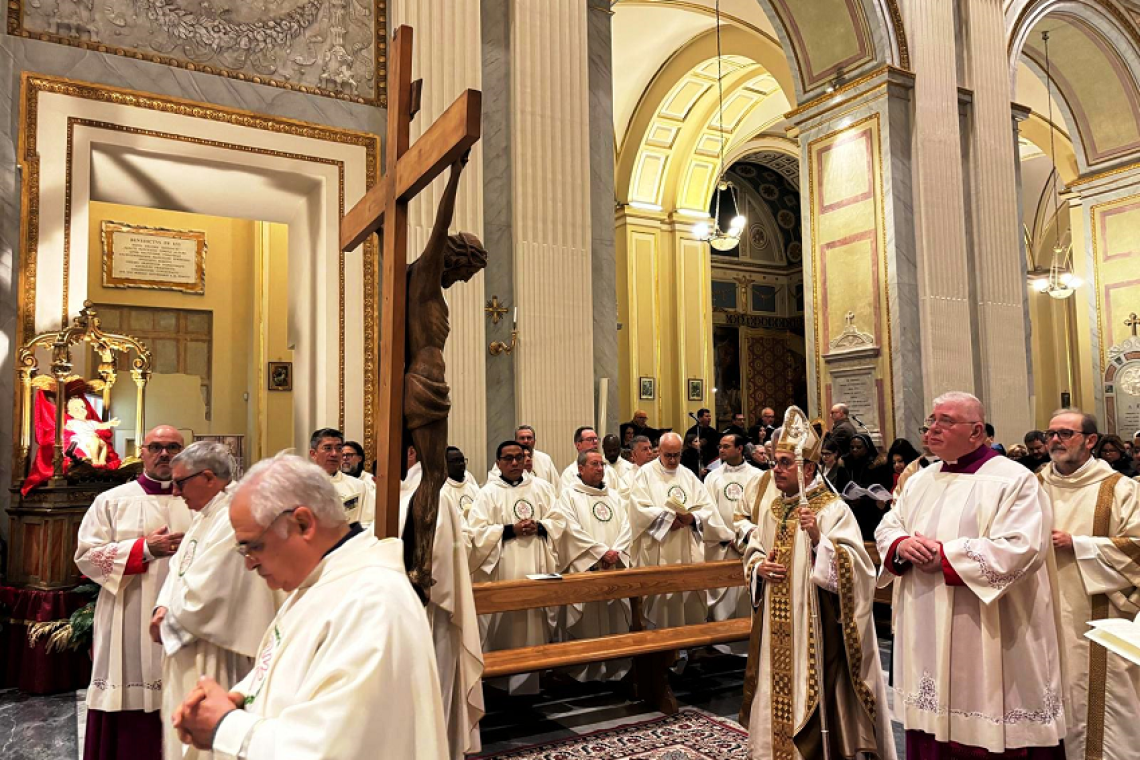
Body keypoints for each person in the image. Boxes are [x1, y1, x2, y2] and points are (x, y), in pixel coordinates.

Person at [171, 453, 447, 759]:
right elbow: (294, 672)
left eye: (253, 546)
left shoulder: (373, 601)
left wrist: (225, 725)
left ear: (302, 524)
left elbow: (333, 746)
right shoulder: (322, 581)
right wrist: (238, 698)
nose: (249, 564)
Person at [875, 391, 1066, 759]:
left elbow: (1023, 546)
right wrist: (900, 545)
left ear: (976, 431)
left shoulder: (1014, 480)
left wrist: (946, 556)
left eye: (945, 421)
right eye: (931, 419)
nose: (932, 428)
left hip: (985, 626)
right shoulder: (920, 479)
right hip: (925, 620)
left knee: (985, 712)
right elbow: (888, 525)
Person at [742, 406, 895, 759]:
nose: (776, 470)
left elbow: (858, 570)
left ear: (808, 468)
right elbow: (753, 549)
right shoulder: (774, 508)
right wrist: (758, 569)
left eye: (785, 463)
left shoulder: (831, 510)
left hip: (813, 631)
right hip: (775, 629)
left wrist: (818, 542)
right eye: (775, 462)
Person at [152, 442, 280, 760]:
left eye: (181, 483)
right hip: (193, 638)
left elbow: (212, 585)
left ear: (208, 477)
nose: (177, 493)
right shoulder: (207, 512)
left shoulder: (233, 514)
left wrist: (169, 621)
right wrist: (161, 607)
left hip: (215, 645)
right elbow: (179, 568)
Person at [76, 425, 192, 760]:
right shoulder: (112, 501)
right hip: (129, 613)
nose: (164, 454)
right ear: (141, 452)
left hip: (186, 615)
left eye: (173, 447)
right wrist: (144, 549)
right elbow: (86, 557)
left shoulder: (201, 502)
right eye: (155, 446)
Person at [1039, 409, 1140, 760]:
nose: (1055, 440)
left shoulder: (1120, 489)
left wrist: (1080, 545)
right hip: (1040, 613)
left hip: (1100, 614)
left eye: (1065, 434)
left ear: (1091, 440)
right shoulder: (1032, 487)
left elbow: (1138, 547)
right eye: (1050, 434)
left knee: (1100, 698)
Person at [402, 443, 484, 760]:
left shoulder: (433, 495)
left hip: (431, 610)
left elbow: (441, 555)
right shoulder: (397, 492)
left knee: (435, 686)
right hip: (404, 608)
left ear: (411, 453)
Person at [466, 441, 565, 694]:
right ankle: (500, 683)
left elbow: (559, 520)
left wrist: (540, 526)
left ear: (525, 460)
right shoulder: (488, 493)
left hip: (537, 563)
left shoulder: (542, 488)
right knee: (506, 624)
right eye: (508, 459)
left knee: (535, 620)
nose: (514, 463)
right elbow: (476, 533)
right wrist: (511, 530)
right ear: (498, 462)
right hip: (504, 568)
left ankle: (535, 679)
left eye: (518, 458)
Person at [627, 432, 733, 631]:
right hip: (659, 548)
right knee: (662, 604)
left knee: (689, 602)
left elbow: (707, 507)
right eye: (668, 455)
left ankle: (689, 648)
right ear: (659, 451)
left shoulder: (687, 474)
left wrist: (692, 518)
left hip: (686, 547)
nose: (673, 460)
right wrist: (667, 519)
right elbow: (637, 509)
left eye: (677, 455)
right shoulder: (645, 474)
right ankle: (662, 653)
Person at [549, 450, 632, 681]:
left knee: (614, 620)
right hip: (588, 568)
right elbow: (571, 530)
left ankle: (615, 669)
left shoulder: (614, 496)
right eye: (594, 464)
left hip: (613, 567)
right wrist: (600, 552)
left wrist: (615, 551)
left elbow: (627, 526)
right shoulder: (568, 496)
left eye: (602, 464)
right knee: (587, 623)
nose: (599, 468)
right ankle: (585, 672)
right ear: (580, 469)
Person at [703, 433, 761, 629]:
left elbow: (761, 511)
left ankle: (747, 641)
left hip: (749, 545)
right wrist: (727, 537)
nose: (721, 450)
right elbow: (708, 509)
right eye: (720, 447)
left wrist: (745, 540)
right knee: (722, 597)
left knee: (746, 595)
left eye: (726, 447)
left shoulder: (757, 476)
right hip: (722, 545)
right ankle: (720, 642)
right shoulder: (712, 477)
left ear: (739, 449)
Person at [309, 428, 374, 528]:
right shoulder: (301, 485)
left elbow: (367, 523)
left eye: (339, 449)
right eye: (328, 448)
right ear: (313, 454)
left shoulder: (359, 486)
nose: (334, 454)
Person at [841, 433, 894, 540]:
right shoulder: (846, 464)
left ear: (867, 448)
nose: (854, 450)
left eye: (859, 447)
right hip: (851, 510)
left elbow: (882, 489)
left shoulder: (877, 465)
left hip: (871, 513)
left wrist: (863, 500)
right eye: (852, 447)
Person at [514, 425, 562, 492]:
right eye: (522, 438)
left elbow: (557, 488)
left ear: (534, 441)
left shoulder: (545, 460)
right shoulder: (506, 460)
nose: (526, 441)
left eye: (529, 438)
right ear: (515, 441)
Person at [441, 446, 480, 521]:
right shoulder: (442, 492)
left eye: (462, 460)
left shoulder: (475, 490)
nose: (461, 464)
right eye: (456, 461)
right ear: (445, 464)